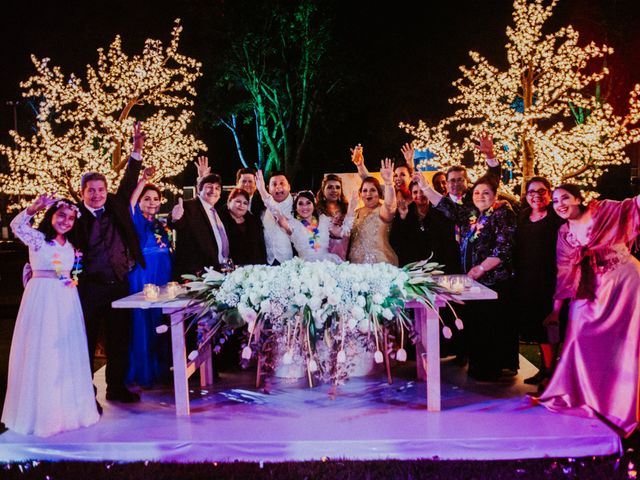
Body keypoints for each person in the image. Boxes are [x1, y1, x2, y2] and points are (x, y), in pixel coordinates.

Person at [537, 185, 640, 437]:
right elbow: (564, 273)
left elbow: (633, 206)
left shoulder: (603, 210)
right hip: (590, 287)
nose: (560, 204)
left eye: (565, 198)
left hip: (625, 282)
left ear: (579, 199)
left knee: (624, 345)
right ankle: (582, 394)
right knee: (577, 336)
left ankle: (620, 403)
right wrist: (555, 310)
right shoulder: (564, 233)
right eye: (556, 201)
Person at [2, 195, 99, 436]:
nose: (66, 221)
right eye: (61, 216)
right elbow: (17, 226)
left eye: (71, 218)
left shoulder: (71, 247)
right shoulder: (38, 240)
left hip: (66, 300)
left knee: (66, 351)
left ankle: (70, 410)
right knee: (43, 350)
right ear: (52, 216)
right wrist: (33, 208)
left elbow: (71, 273)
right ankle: (43, 414)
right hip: (42, 299)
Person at [417, 173, 517, 380]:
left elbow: (503, 248)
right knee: (477, 324)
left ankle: (492, 371)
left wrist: (481, 268)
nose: (481, 196)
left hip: (494, 280)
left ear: (495, 195)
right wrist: (426, 188)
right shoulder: (470, 213)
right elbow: (447, 207)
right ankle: (478, 368)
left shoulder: (502, 213)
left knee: (492, 325)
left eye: (486, 193)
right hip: (472, 281)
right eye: (478, 192)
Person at [75, 123, 145, 404]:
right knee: (86, 341)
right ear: (82, 193)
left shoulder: (116, 205)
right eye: (91, 190)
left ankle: (116, 387)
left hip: (119, 284)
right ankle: (85, 391)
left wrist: (136, 150)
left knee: (120, 338)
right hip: (89, 287)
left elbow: (129, 179)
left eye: (100, 189)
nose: (96, 194)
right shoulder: (74, 215)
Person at [514, 177, 564, 389]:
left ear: (549, 193)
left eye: (541, 191)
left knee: (549, 329)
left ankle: (551, 373)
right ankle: (544, 369)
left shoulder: (557, 219)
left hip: (550, 282)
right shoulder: (523, 217)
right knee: (536, 328)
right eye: (531, 191)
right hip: (527, 281)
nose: (536, 195)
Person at [126, 167, 172, 387]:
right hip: (144, 276)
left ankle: (160, 369)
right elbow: (131, 202)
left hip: (162, 274)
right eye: (147, 198)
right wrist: (143, 180)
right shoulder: (137, 219)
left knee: (159, 322)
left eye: (156, 199)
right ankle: (144, 372)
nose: (152, 202)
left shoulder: (158, 224)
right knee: (143, 322)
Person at [257, 172, 357, 263]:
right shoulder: (293, 224)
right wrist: (262, 191)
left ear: (314, 206)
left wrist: (351, 209)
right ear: (296, 208)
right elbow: (276, 213)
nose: (305, 207)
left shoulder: (324, 220)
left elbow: (343, 233)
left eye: (308, 203)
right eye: (300, 204)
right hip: (305, 268)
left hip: (326, 264)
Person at [391, 179, 459, 271]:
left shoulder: (439, 211)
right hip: (414, 267)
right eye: (415, 192)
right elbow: (398, 239)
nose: (419, 195)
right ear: (411, 195)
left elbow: (448, 241)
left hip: (438, 266)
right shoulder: (406, 211)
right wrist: (403, 217)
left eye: (422, 191)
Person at [170, 170, 230, 276]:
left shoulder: (218, 213)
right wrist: (175, 218)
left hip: (218, 270)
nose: (213, 191)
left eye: (217, 188)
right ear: (199, 189)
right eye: (209, 186)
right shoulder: (189, 206)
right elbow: (176, 223)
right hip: (196, 274)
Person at [348, 159, 399, 265]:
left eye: (373, 190)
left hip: (380, 264)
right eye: (365, 190)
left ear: (379, 194)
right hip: (356, 267)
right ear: (360, 194)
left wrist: (389, 183)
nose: (368, 194)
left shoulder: (382, 210)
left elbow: (390, 205)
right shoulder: (356, 212)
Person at [219, 188, 267, 266]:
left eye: (245, 203)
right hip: (230, 268)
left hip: (254, 268)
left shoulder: (253, 221)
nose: (241, 205)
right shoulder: (220, 220)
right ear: (229, 202)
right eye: (238, 201)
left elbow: (260, 247)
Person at [261, 171, 295, 265]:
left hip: (292, 262)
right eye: (274, 184)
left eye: (282, 183)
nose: (278, 187)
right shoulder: (262, 207)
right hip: (268, 261)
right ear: (268, 189)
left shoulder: (299, 206)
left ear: (289, 186)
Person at [316, 174, 350, 260]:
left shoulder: (346, 209)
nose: (334, 190)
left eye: (337, 187)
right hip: (322, 256)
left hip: (343, 254)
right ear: (323, 190)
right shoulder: (317, 211)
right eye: (330, 187)